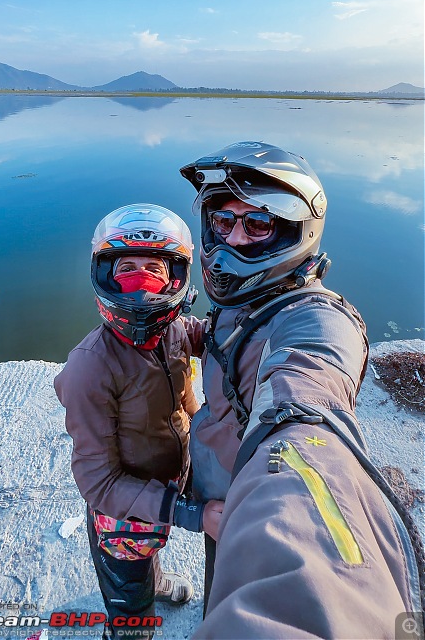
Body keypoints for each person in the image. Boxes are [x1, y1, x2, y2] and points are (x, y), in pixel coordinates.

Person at [179, 142, 423, 639]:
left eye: (257, 225)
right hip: (223, 495)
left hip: (258, 500)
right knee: (221, 588)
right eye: (222, 222)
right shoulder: (249, 299)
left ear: (296, 234)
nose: (232, 240)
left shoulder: (316, 320)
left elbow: (306, 403)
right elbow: (229, 338)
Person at [54, 204, 222, 640]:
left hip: (171, 476)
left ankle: (154, 578)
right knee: (131, 617)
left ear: (175, 278)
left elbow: (218, 335)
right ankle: (135, 603)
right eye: (128, 267)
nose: (142, 280)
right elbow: (98, 484)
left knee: (147, 556)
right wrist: (189, 513)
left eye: (154, 267)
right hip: (122, 518)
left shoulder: (176, 331)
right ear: (107, 275)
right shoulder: (89, 369)